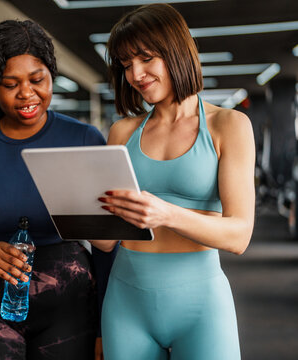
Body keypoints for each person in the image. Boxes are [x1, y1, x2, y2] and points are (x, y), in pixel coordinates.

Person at [0, 19, 114, 360]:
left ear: (51, 75)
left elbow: (108, 247)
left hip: (70, 307)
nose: (26, 93)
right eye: (10, 84)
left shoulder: (84, 140)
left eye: (37, 79)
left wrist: (107, 328)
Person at [90, 3, 255, 360]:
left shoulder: (227, 125)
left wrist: (165, 214)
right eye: (125, 64)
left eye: (146, 58)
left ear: (176, 52)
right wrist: (72, 208)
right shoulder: (122, 131)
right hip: (126, 300)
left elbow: (239, 235)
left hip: (200, 303)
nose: (135, 74)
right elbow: (103, 242)